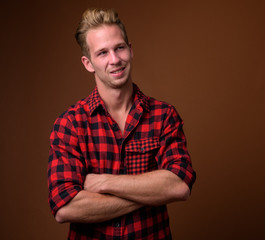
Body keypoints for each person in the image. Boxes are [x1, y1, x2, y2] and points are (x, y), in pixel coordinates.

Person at [47, 8, 196, 239]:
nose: (115, 60)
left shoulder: (164, 116)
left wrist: (103, 182)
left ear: (131, 49)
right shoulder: (70, 124)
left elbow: (179, 185)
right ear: (88, 63)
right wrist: (150, 193)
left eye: (119, 48)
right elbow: (65, 206)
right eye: (103, 53)